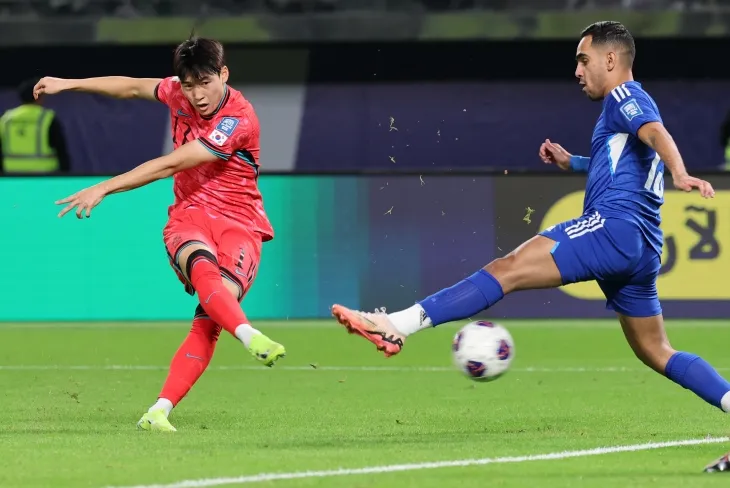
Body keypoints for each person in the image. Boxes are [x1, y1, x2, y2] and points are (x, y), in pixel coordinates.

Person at [331, 22, 730, 417]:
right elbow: (622, 162)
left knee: (507, 269)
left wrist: (679, 172)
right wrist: (571, 161)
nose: (577, 70)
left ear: (611, 59)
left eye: (583, 59)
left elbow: (656, 133)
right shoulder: (623, 112)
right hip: (643, 248)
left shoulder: (625, 95)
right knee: (657, 351)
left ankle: (398, 324)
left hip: (613, 227)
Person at [34, 36, 286, 433]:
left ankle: (159, 410)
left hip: (241, 224)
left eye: (205, 82)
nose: (197, 95)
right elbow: (132, 86)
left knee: (208, 319)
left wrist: (104, 186)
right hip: (189, 217)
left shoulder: (239, 118)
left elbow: (174, 163)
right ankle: (249, 333)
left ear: (223, 74)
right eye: (188, 85)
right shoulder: (177, 92)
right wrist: (69, 84)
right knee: (202, 270)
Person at [0, 77, 70, 174]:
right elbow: (61, 151)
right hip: (43, 177)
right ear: (38, 96)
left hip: (12, 176)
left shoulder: (6, 119)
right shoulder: (47, 118)